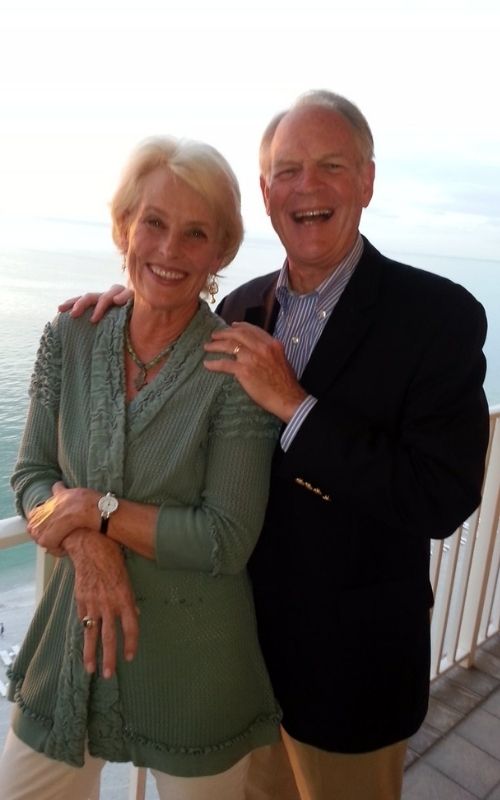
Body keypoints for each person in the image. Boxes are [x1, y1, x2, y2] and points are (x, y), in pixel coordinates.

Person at [55, 90, 490, 800]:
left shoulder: (436, 316)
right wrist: (126, 302)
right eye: (288, 170)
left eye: (332, 166)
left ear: (368, 180)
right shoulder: (237, 308)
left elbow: (440, 496)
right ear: (264, 193)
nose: (308, 187)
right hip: (230, 667)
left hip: (350, 677)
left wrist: (294, 404)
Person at [0, 135, 283, 800]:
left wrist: (96, 509)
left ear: (220, 254)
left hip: (196, 673)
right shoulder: (68, 336)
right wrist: (85, 543)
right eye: (153, 223)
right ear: (125, 225)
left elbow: (223, 538)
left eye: (195, 234)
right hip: (65, 654)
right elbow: (31, 477)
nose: (168, 250)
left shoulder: (232, 370)